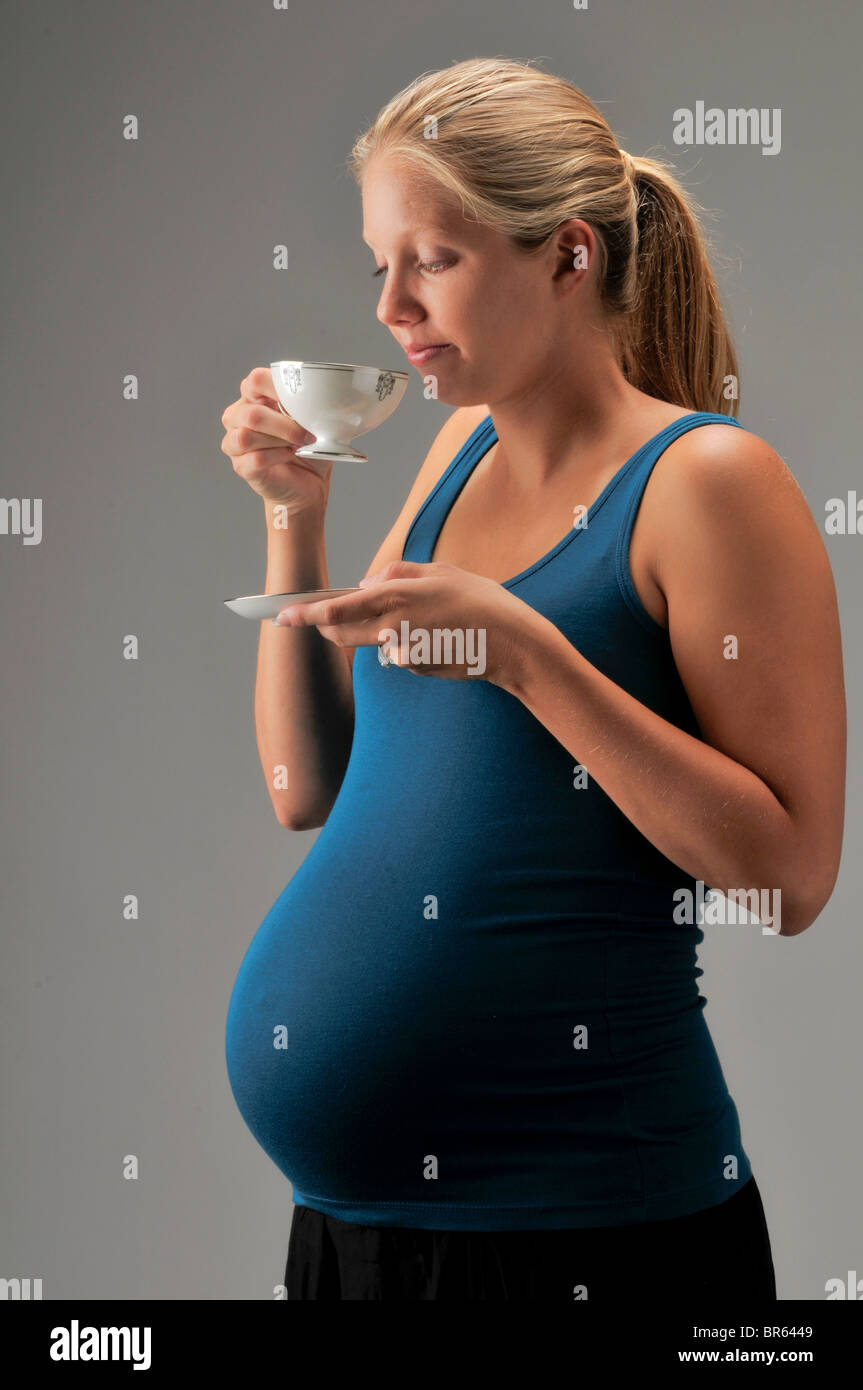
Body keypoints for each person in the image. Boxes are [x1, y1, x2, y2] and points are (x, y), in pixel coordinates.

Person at [221, 57, 845, 1301]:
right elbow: (306, 787)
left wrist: (526, 655)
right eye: (379, 264)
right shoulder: (457, 451)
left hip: (585, 1238)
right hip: (356, 1237)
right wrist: (295, 518)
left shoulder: (705, 483)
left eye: (432, 260)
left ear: (567, 254)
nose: (391, 305)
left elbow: (786, 880)